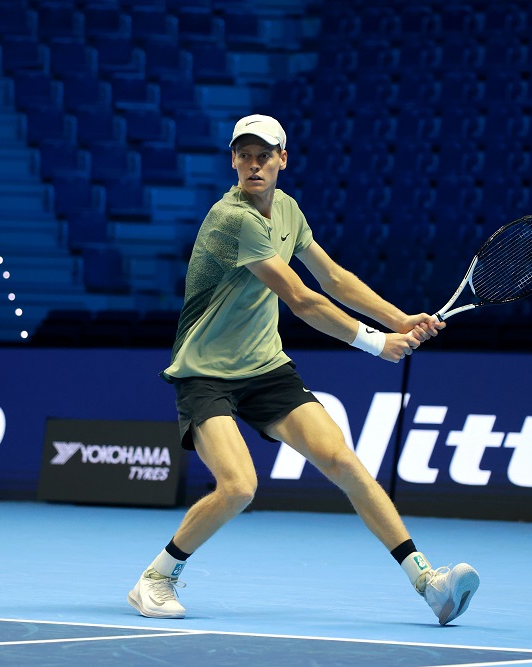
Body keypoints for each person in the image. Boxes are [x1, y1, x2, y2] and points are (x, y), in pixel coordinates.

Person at [127, 115, 479, 625]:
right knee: (239, 486)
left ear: (281, 160)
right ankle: (156, 578)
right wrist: (377, 342)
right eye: (243, 154)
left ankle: (428, 584)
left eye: (263, 154)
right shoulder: (233, 219)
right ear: (233, 160)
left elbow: (332, 276)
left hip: (265, 367)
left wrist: (398, 318)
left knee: (343, 461)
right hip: (204, 372)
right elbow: (300, 297)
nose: (253, 163)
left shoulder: (287, 210)